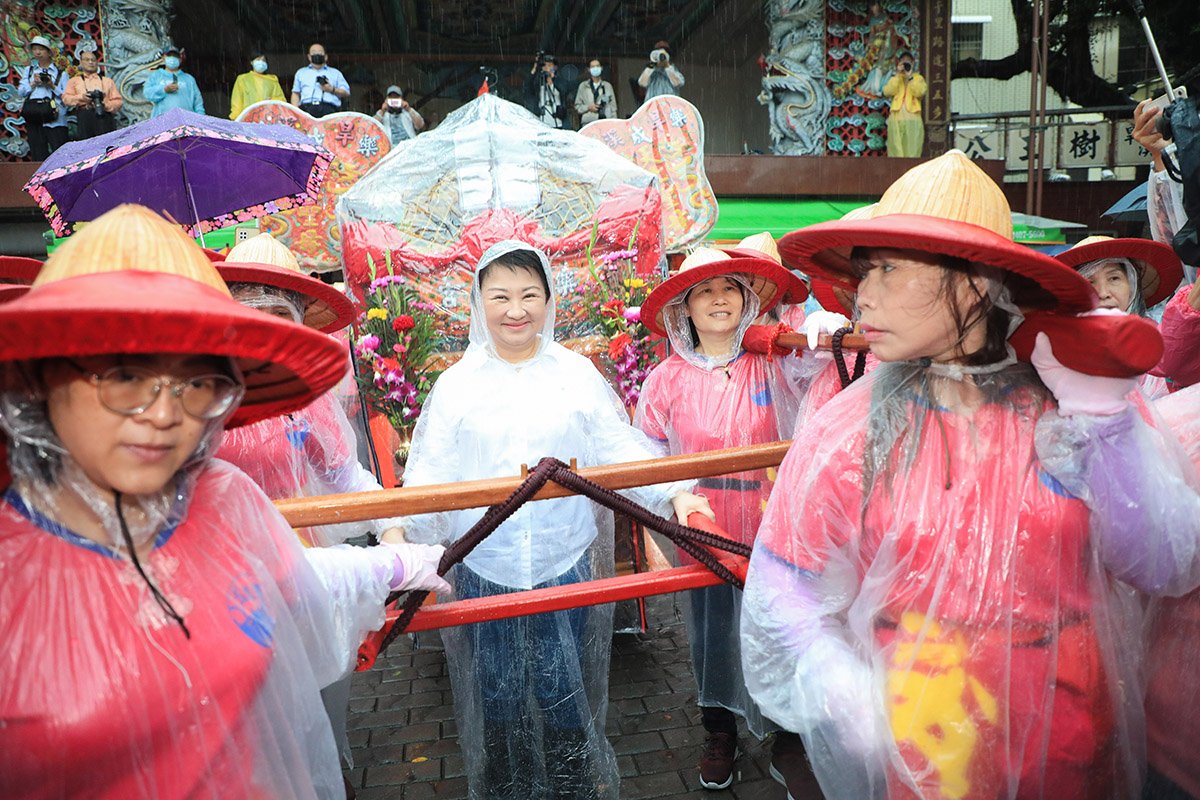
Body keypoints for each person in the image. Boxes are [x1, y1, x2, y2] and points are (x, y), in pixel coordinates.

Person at [742, 150, 1200, 800]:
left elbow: (1162, 561)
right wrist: (836, 680)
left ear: (975, 283)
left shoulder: (1080, 406)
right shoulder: (849, 429)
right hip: (926, 741)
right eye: (863, 272)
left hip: (1067, 738)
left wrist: (1105, 429)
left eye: (887, 270)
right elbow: (784, 584)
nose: (860, 295)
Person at [0, 203, 451, 799]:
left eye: (197, 380)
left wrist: (394, 557)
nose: (164, 414)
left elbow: (296, 587)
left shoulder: (220, 496)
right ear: (41, 377)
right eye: (125, 376)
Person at [395, 241, 712, 800]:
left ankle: (573, 788)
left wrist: (676, 495)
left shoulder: (575, 374)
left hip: (564, 562)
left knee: (563, 688)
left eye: (528, 295)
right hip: (483, 566)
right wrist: (401, 539)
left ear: (548, 300)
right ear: (478, 302)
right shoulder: (457, 386)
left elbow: (618, 447)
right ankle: (505, 789)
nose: (515, 310)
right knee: (495, 694)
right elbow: (430, 475)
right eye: (500, 296)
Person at [635, 234, 814, 793]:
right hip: (704, 529)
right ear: (682, 307)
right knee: (711, 632)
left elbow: (821, 392)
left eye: (728, 289)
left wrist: (817, 336)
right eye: (703, 291)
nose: (717, 300)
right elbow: (648, 453)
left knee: (779, 624)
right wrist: (671, 507)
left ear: (746, 299)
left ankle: (787, 731)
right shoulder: (665, 379)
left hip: (773, 523)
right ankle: (721, 730)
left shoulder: (777, 363)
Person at [1055, 235, 1183, 398]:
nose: (1103, 293)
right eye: (1089, 282)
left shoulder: (1161, 343)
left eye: (1114, 278)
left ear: (1132, 286)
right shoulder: (1057, 347)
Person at [17, 35, 69, 160]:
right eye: (35, 49)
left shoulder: (61, 73)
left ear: (49, 52)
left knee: (60, 156)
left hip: (55, 118)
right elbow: (21, 92)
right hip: (34, 116)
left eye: (41, 49)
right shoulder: (29, 71)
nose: (38, 52)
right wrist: (33, 83)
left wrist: (51, 85)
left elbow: (67, 98)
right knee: (38, 155)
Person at [63, 48, 122, 139]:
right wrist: (82, 97)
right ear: (81, 63)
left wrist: (105, 105)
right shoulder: (74, 81)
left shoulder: (107, 81)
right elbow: (66, 99)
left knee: (107, 143)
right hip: (85, 116)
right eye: (87, 60)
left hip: (104, 115)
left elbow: (118, 102)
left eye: (93, 60)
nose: (91, 62)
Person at [883, 52, 925, 157]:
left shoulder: (918, 78)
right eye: (903, 62)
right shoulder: (895, 78)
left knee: (913, 148)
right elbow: (887, 91)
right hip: (897, 117)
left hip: (912, 117)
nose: (906, 65)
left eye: (908, 62)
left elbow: (920, 92)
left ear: (912, 63)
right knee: (896, 147)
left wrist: (909, 77)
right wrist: (898, 75)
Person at [291, 43, 350, 118]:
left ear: (325, 57)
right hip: (306, 110)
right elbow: (295, 93)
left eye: (320, 52)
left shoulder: (336, 73)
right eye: (314, 52)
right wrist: (295, 113)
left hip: (329, 110)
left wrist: (332, 89)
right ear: (309, 57)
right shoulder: (301, 73)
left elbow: (346, 93)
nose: (317, 54)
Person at [143, 46, 205, 117]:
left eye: (175, 56)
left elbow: (198, 102)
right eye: (169, 55)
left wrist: (201, 118)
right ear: (163, 57)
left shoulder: (189, 79)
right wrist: (164, 90)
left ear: (180, 59)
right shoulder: (156, 75)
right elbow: (147, 93)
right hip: (162, 122)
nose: (172, 58)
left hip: (186, 121)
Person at [228, 51, 285, 120]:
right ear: (251, 62)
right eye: (258, 59)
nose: (261, 62)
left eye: (263, 60)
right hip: (247, 118)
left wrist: (270, 101)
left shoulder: (272, 80)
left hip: (268, 118)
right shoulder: (243, 79)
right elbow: (237, 101)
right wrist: (236, 118)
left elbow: (281, 100)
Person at [524, 53, 569, 129]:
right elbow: (527, 86)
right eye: (545, 65)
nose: (546, 68)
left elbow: (563, 91)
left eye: (549, 65)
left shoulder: (560, 81)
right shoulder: (539, 82)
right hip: (542, 119)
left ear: (555, 67)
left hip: (557, 120)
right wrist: (535, 68)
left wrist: (551, 80)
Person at [574, 59, 617, 126]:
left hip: (605, 122)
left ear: (601, 68)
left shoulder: (607, 86)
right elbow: (577, 106)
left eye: (597, 66)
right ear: (589, 69)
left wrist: (614, 123)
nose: (595, 68)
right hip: (588, 122)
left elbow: (613, 107)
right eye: (593, 67)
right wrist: (588, 107)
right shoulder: (583, 86)